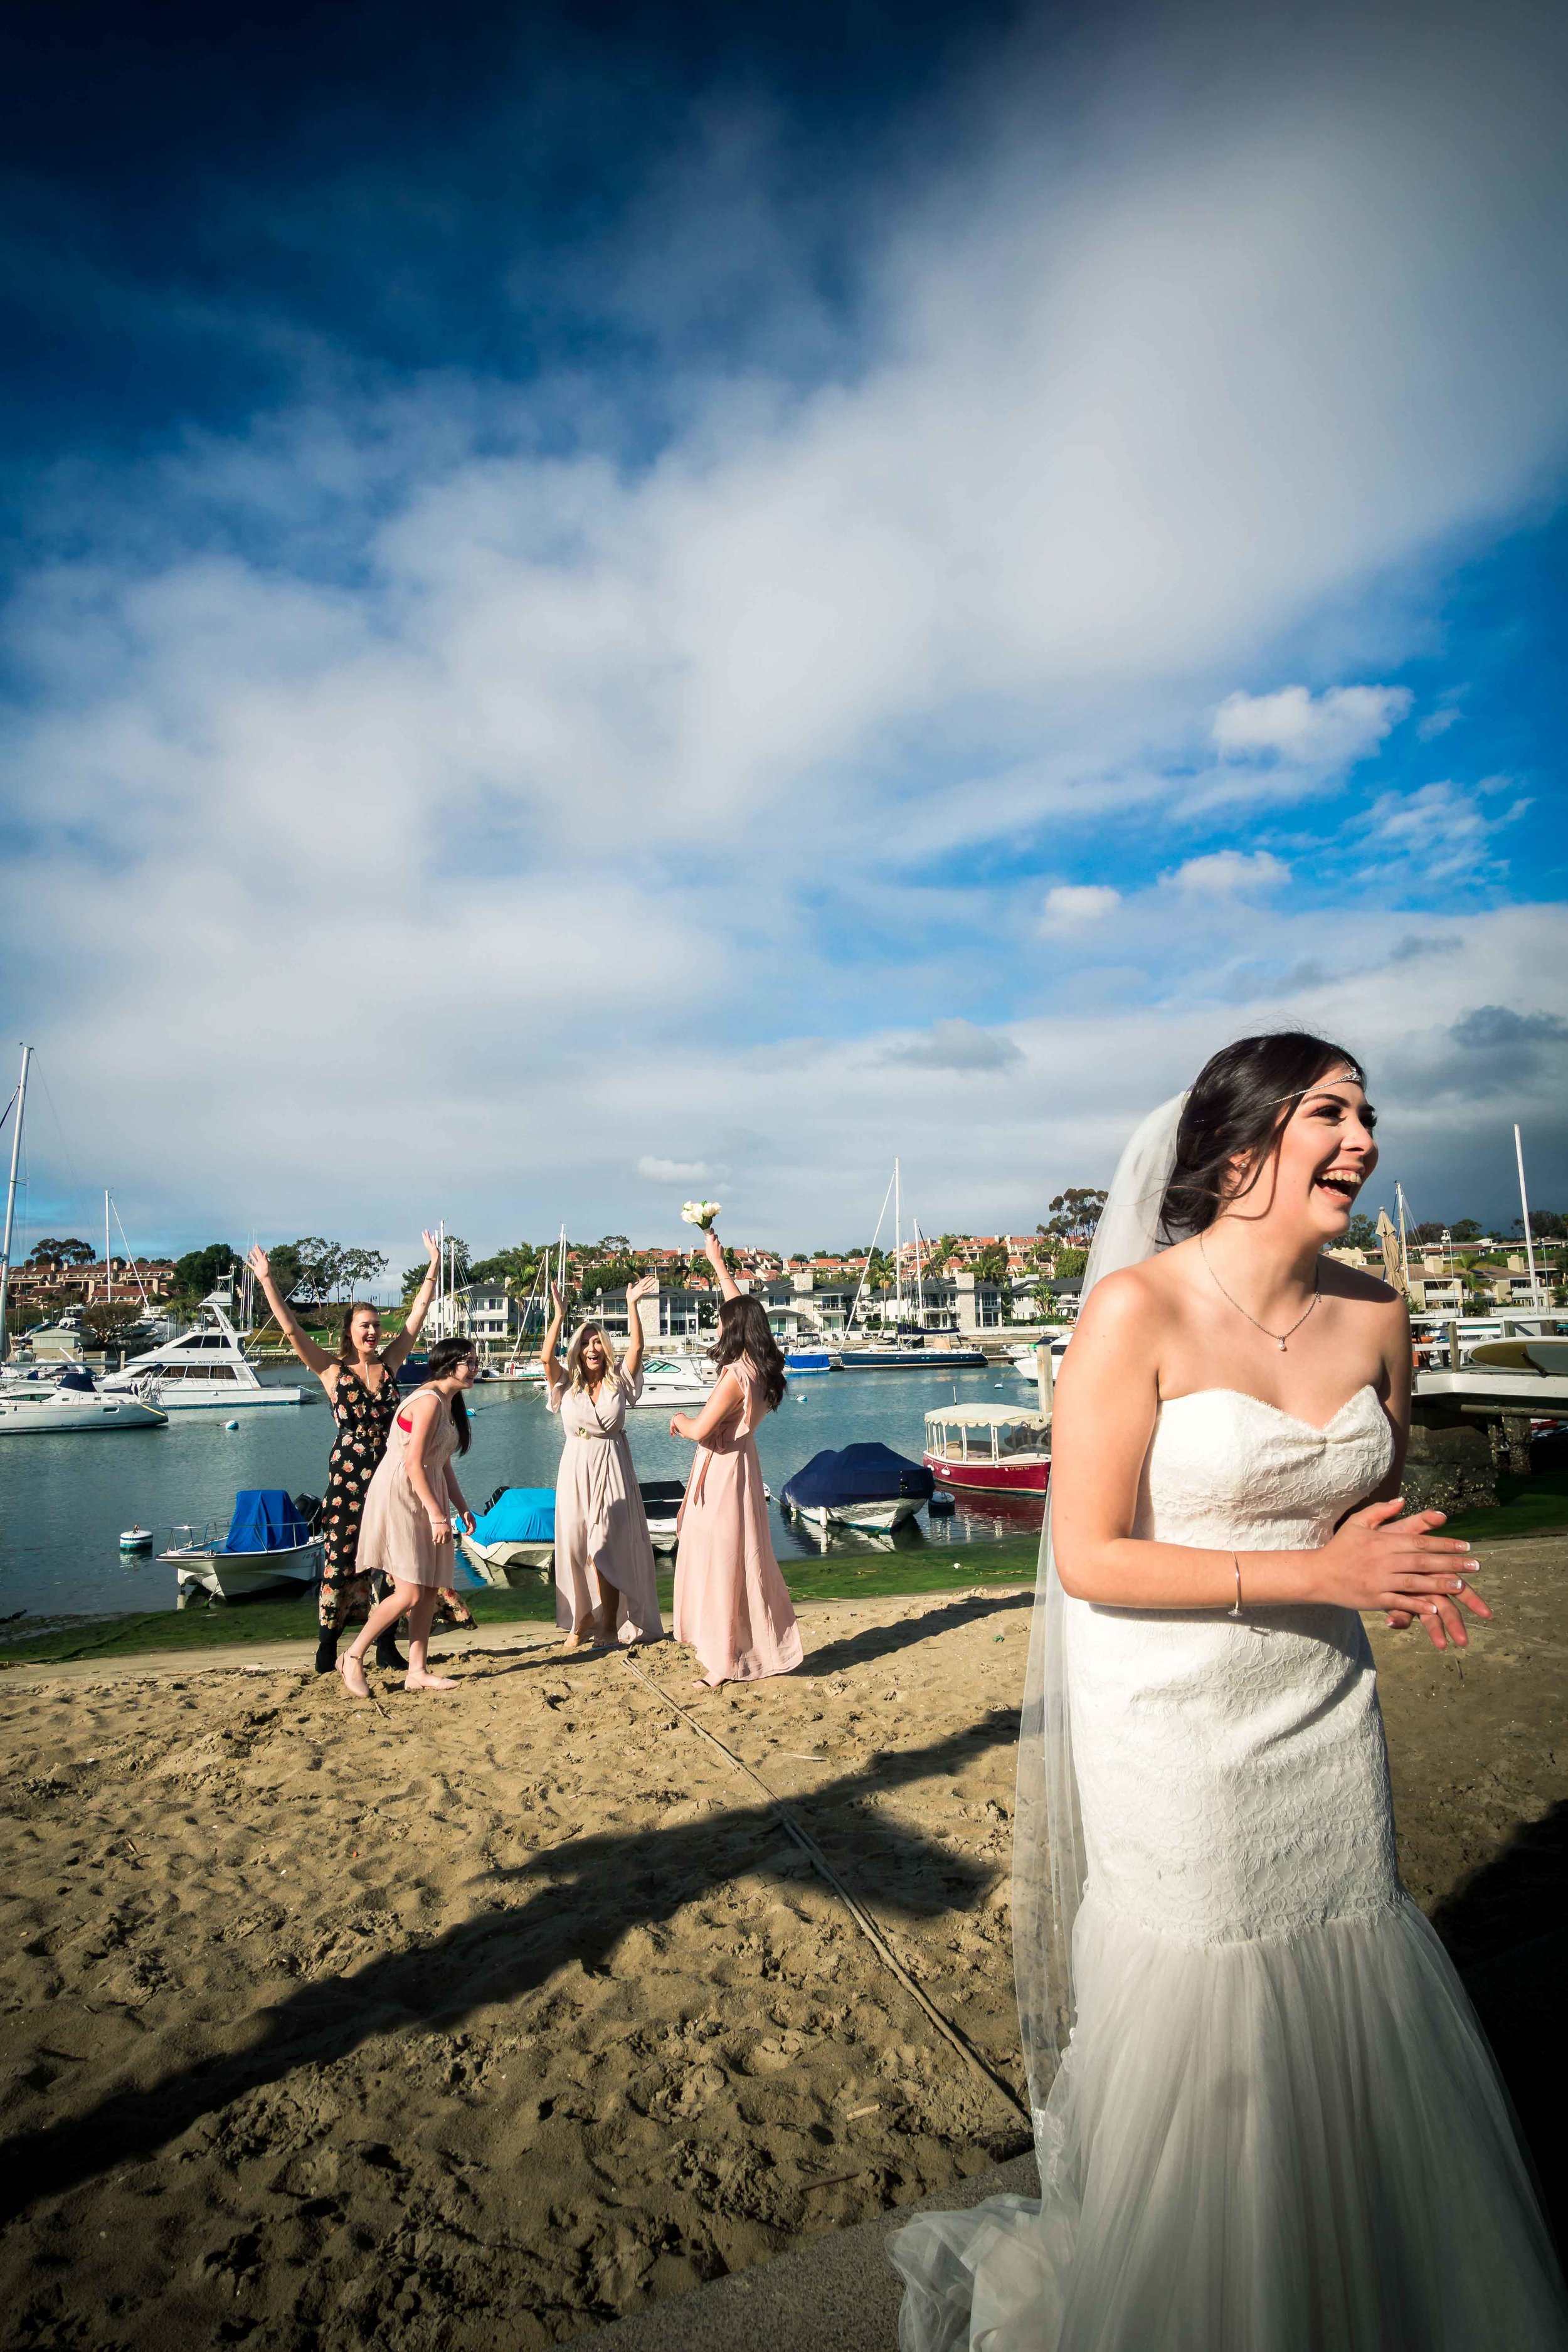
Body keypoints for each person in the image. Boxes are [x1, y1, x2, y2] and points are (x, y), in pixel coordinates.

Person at [892, 1034, 1568, 2349]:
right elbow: (1087, 1554)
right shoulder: (1133, 1311)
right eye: (1328, 1112)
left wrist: (1402, 1559)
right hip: (1175, 1726)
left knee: (1340, 1944)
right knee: (1214, 1999)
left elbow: (1369, 1496)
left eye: (1367, 1112)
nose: (1362, 1139)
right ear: (1240, 1145)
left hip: (1321, 1707)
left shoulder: (1376, 1312)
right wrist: (1320, 1572)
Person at [246, 1236, 473, 1675]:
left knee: (394, 1560)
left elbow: (417, 1317)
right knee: (342, 1556)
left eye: (375, 1325)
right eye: (363, 1325)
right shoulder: (332, 1371)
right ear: (348, 1331)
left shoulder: (389, 1365)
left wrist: (433, 1266)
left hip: (393, 1474)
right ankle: (328, 1644)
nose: (372, 1331)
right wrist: (268, 1281)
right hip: (348, 1476)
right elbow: (292, 1329)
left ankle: (387, 1646)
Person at [669, 1226, 801, 1688]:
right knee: (743, 1559)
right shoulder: (764, 1370)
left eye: (722, 1321)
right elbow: (741, 1309)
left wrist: (680, 1421)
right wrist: (718, 1263)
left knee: (719, 1562)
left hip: (722, 1472)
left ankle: (721, 1664)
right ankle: (745, 1651)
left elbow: (702, 1429)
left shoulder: (735, 1377)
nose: (717, 1325)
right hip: (743, 1467)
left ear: (735, 1328)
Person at [341, 1336, 480, 1697]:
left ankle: (417, 1670)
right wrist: (438, 1515)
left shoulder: (449, 1403)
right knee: (410, 1591)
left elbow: (442, 1462)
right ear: (450, 1365)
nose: (476, 1369)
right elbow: (413, 1464)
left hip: (425, 1493)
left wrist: (460, 1506)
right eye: (470, 1362)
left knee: (431, 1586)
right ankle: (353, 1656)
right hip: (402, 1494)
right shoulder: (429, 1401)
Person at [541, 1273, 663, 1649]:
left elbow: (638, 1349)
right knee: (577, 1547)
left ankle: (610, 1623)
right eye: (587, 1343)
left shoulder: (618, 1382)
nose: (593, 1348)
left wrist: (632, 1306)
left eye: (598, 1342)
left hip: (611, 1464)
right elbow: (546, 1357)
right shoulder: (565, 1383)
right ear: (577, 1350)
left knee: (606, 1547)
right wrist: (559, 1315)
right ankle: (582, 1620)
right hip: (576, 1465)